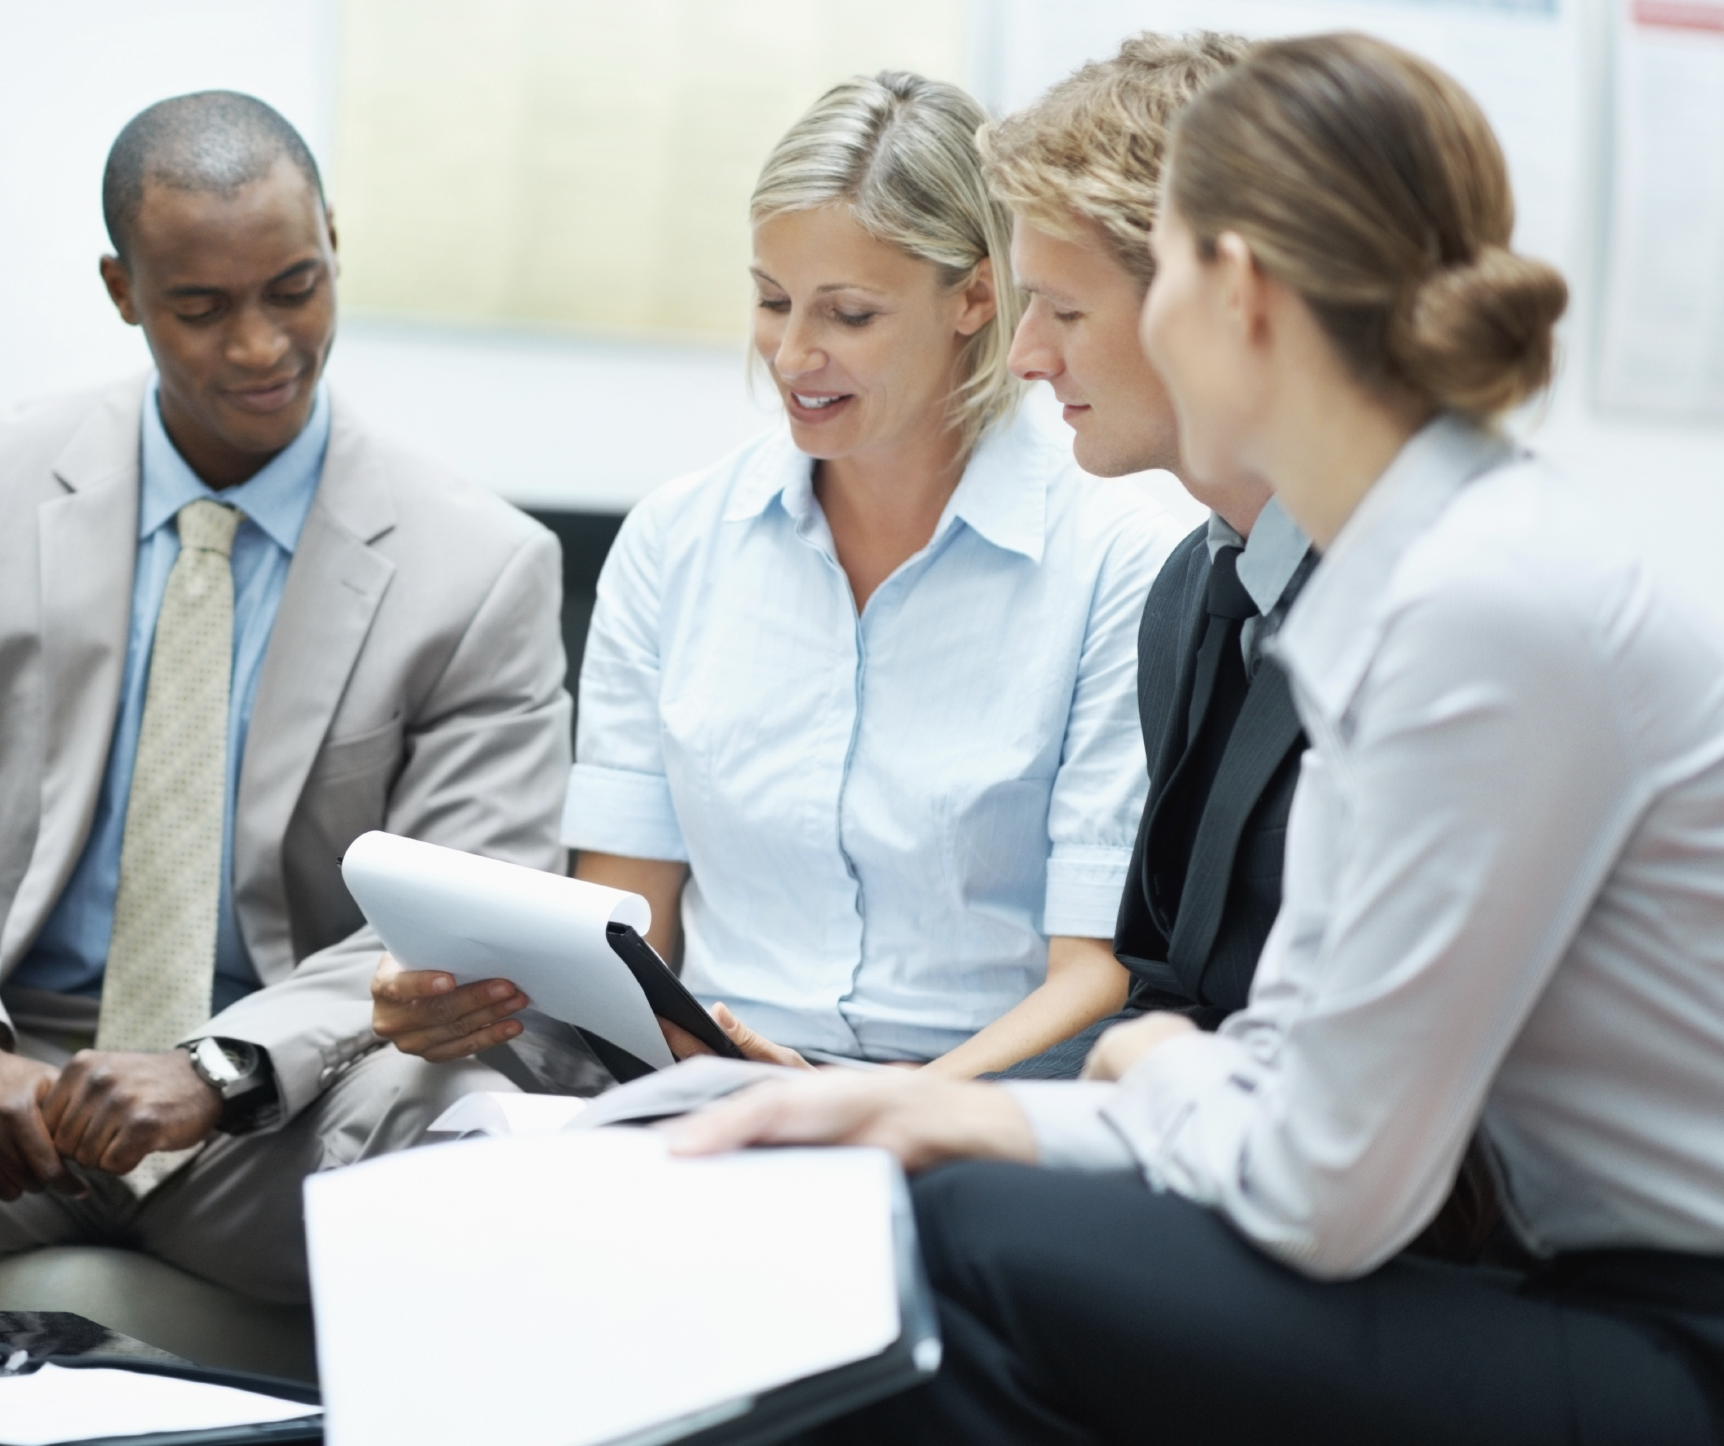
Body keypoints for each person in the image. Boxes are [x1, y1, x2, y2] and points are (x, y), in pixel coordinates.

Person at [680, 33, 1724, 1443]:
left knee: (968, 1247)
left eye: (1145, 273)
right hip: (1559, 1279)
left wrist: (1141, 1063)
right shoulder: (1408, 573)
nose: (1028, 350)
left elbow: (1322, 1184)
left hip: (1676, 1333)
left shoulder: (1479, 604)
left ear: (1235, 291)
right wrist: (928, 1113)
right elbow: (1282, 1073)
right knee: (927, 1202)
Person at [0, 91, 572, 1308]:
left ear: (334, 245)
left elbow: (458, 922)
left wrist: (224, 1067)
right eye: (200, 307)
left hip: (286, 1101)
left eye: (293, 289)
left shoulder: (479, 567)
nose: (259, 346)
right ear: (121, 288)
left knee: (467, 1123)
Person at [374, 72, 1183, 1081]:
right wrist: (490, 1000)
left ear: (976, 295)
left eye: (847, 314)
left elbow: (1091, 972)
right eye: (769, 300)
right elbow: (627, 929)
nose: (792, 353)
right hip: (707, 1079)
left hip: (975, 1107)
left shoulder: (1119, 563)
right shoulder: (676, 541)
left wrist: (882, 1109)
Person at [984, 31, 1314, 1080]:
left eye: (1065, 309)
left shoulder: (1419, 605)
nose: (1026, 356)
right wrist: (892, 1108)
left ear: (1221, 302)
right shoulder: (1191, 592)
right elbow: (1167, 987)